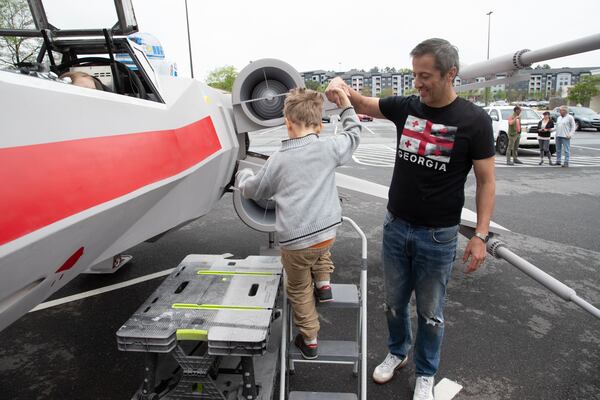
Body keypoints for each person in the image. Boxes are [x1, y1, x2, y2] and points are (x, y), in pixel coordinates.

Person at [326, 38, 495, 400]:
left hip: (438, 236)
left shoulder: (474, 121)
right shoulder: (407, 107)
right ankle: (397, 352)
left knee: (431, 313)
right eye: (414, 74)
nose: (417, 83)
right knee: (394, 302)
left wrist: (480, 235)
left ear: (450, 74)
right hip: (395, 225)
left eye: (425, 75)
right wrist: (339, 85)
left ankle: (426, 372)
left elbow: (486, 181)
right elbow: (361, 101)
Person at [236, 87, 361, 360]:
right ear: (318, 124)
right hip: (328, 232)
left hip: (295, 243)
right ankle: (324, 284)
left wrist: (243, 176)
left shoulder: (278, 160)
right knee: (320, 246)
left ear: (287, 122)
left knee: (298, 288)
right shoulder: (329, 147)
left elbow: (256, 190)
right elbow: (353, 135)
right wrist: (346, 106)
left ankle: (311, 338)